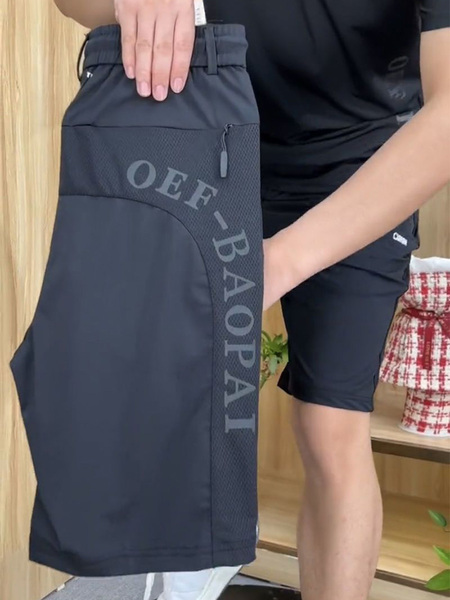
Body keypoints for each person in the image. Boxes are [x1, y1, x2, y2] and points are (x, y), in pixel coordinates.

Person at [53, 1, 450, 599]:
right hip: (211, 129)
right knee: (157, 394)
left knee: (329, 425)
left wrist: (282, 260)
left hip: (362, 165)